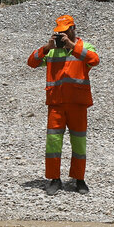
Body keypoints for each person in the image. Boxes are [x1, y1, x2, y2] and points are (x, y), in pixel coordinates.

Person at [27, 14, 100, 195]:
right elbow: (31, 62)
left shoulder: (84, 47)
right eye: (58, 33)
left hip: (78, 105)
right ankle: (54, 179)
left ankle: (79, 179)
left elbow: (94, 60)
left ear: (73, 29)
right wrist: (46, 47)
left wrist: (72, 46)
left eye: (64, 32)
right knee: (53, 143)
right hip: (56, 105)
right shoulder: (52, 51)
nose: (61, 36)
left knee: (79, 144)